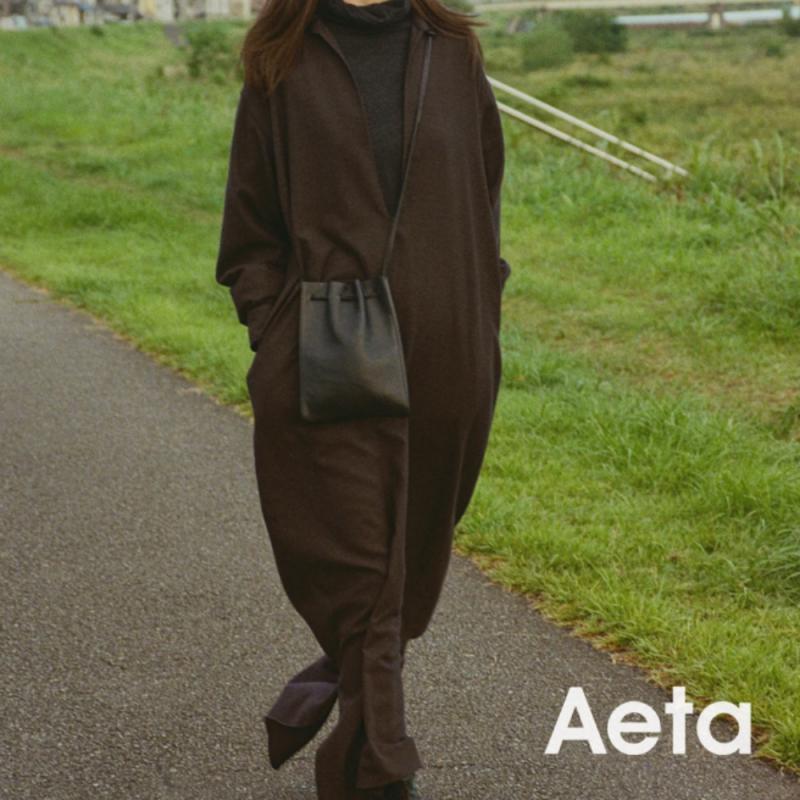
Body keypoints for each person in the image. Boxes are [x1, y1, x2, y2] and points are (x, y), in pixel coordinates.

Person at [214, 0, 511, 797]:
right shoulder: (280, 57)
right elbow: (248, 229)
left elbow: (484, 196)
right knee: (361, 572)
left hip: (447, 353)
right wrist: (276, 328)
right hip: (324, 351)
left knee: (404, 569)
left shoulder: (453, 51)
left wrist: (481, 305)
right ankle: (379, 768)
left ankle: (340, 688)